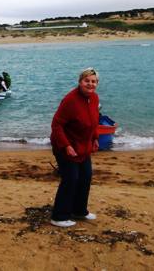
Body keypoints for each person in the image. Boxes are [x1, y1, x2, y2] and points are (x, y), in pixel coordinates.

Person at [50, 67, 100, 227]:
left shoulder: (94, 98)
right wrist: (66, 145)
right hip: (66, 146)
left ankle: (79, 211)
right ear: (80, 82)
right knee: (71, 179)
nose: (90, 84)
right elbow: (56, 124)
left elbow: (94, 121)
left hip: (84, 146)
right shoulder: (70, 100)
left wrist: (95, 138)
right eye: (87, 81)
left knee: (85, 177)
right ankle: (59, 216)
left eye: (93, 81)